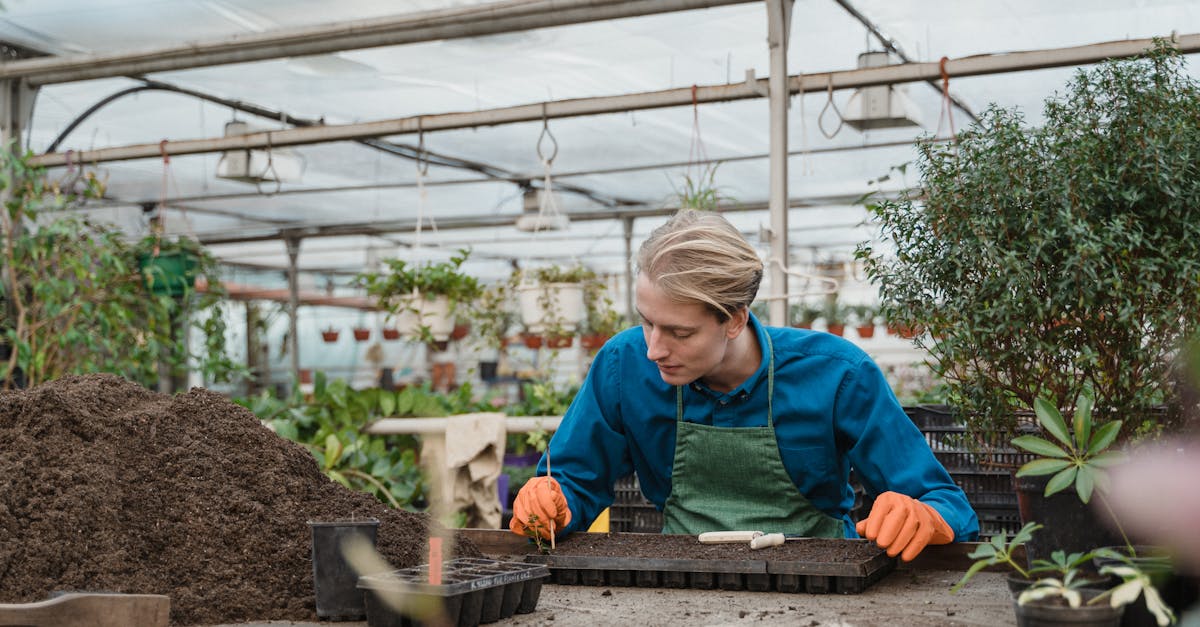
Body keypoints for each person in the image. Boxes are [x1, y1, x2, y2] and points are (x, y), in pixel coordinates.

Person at [509, 209, 978, 561]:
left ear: (734, 320)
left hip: (820, 584)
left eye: (680, 332)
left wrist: (923, 518)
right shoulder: (622, 365)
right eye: (647, 322)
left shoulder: (837, 374)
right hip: (678, 583)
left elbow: (946, 504)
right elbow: (573, 479)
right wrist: (552, 501)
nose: (653, 349)